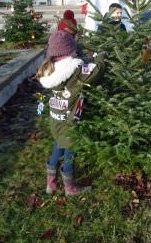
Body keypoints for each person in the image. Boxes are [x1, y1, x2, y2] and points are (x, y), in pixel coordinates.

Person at [36, 31, 106, 196]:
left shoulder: (49, 69)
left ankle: (51, 184)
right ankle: (69, 188)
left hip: (56, 120)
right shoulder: (75, 69)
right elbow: (96, 71)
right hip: (70, 121)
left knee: (58, 147)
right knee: (70, 152)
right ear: (69, 52)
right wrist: (100, 58)